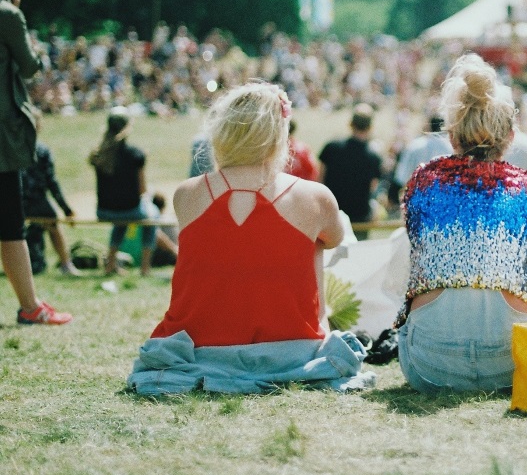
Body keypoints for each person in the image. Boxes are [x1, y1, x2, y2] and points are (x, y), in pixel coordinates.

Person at [129, 82, 373, 394]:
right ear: (278, 136)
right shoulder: (313, 196)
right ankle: (315, 328)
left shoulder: (187, 194)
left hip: (201, 348)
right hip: (293, 350)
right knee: (316, 238)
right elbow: (337, 237)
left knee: (307, 235)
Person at [395, 53, 527, 394]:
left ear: (452, 134)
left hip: (429, 363)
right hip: (511, 362)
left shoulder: (424, 180)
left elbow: (416, 235)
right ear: (510, 136)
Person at [0, 0, 71, 325]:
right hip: (2, 137)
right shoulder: (6, 14)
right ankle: (30, 307)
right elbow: (30, 67)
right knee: (11, 223)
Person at [89, 106, 158, 276]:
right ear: (127, 127)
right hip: (129, 210)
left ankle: (111, 264)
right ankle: (145, 267)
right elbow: (142, 190)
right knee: (153, 216)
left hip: (104, 211)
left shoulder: (99, 154)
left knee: (122, 218)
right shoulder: (136, 155)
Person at [319, 104, 382, 238]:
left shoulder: (331, 148)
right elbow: (373, 187)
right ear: (370, 127)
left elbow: (320, 179)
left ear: (350, 124)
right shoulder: (374, 157)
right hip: (359, 219)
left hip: (332, 214)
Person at [22, 135, 82, 276]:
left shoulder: (9, 146)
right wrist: (66, 209)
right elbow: (51, 182)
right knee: (53, 222)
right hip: (36, 201)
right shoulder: (41, 150)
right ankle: (65, 263)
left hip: (13, 200)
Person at [392, 114, 452, 190]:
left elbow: (401, 177)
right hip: (442, 194)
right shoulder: (450, 148)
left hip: (416, 193)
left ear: (429, 127)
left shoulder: (415, 145)